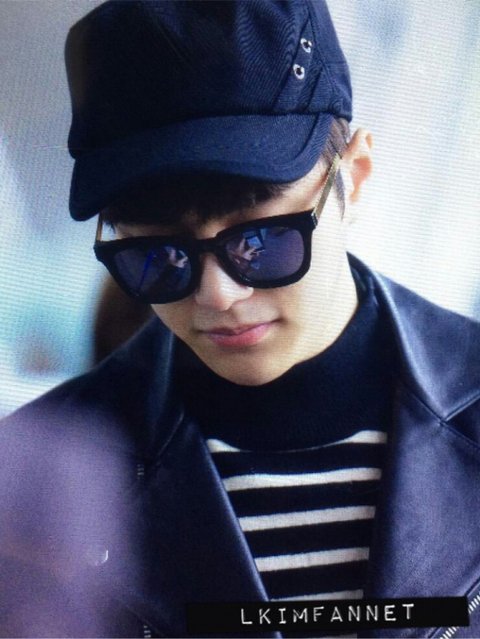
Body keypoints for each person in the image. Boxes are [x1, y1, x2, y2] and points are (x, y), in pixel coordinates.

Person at [0, 1, 479, 637]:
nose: (217, 295)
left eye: (261, 240)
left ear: (356, 178)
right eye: (158, 256)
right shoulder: (31, 478)